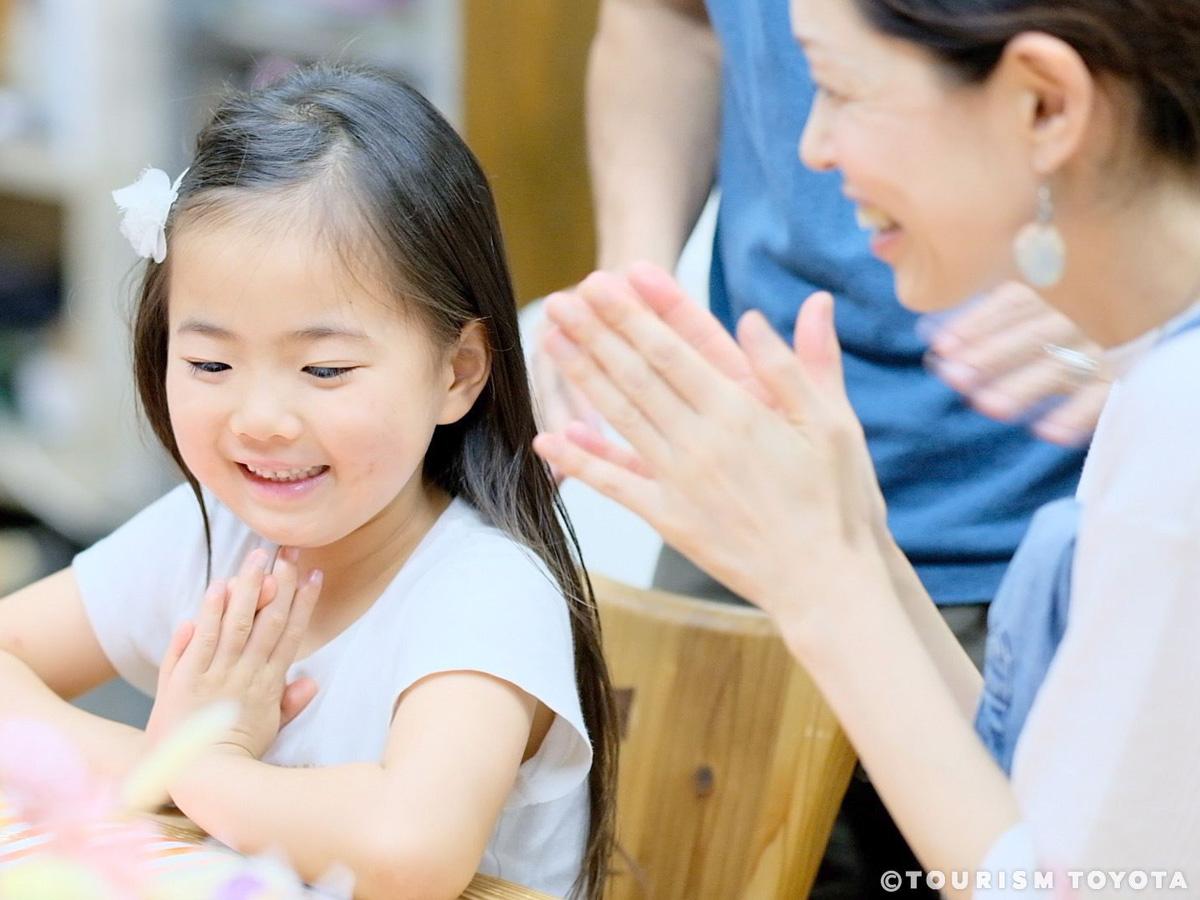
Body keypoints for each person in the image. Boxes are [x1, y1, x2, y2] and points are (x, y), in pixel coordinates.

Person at [533, 0, 1200, 895]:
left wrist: (821, 583)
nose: (809, 149)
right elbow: (1051, 824)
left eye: (841, 87)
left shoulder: (1171, 440)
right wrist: (857, 549)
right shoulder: (1151, 385)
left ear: (1045, 105)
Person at [0, 65, 616, 900]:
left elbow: (411, 850)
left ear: (458, 373)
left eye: (324, 369)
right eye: (210, 361)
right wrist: (164, 760)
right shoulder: (214, 533)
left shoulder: (487, 591)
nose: (260, 418)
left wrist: (204, 766)